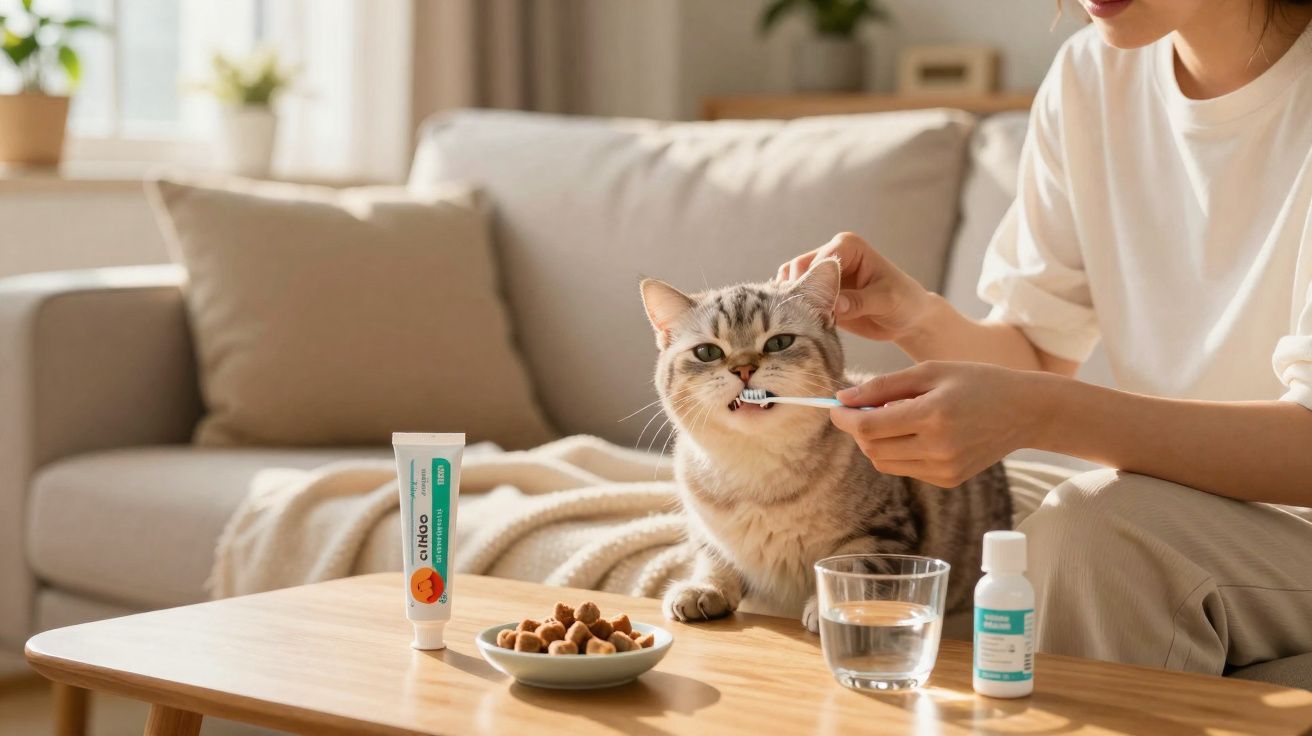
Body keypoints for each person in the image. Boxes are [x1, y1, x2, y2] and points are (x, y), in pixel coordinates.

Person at [778, 0, 1312, 675]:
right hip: (1184, 503)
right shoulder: (1091, 77)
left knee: (1092, 538)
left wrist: (1038, 412)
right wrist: (911, 314)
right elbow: (1033, 353)